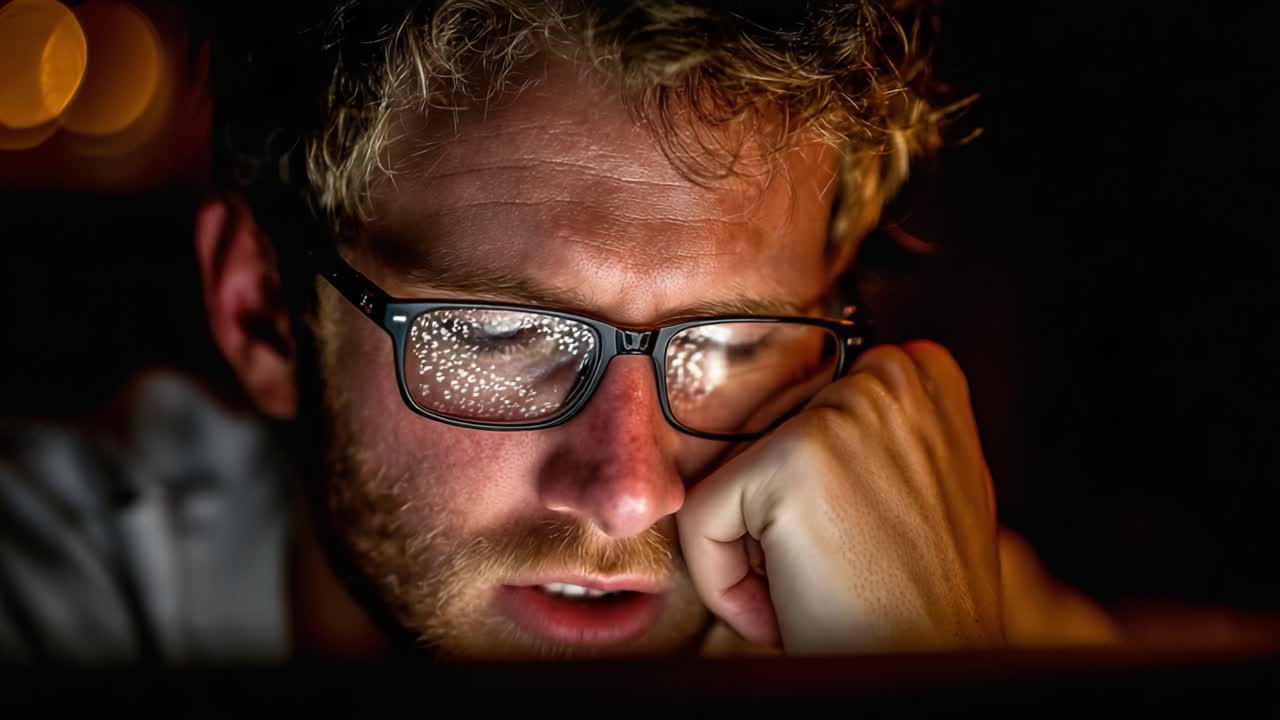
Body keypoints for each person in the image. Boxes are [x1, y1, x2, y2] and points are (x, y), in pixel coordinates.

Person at [0, 0, 1115, 664]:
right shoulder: (55, 604)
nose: (628, 493)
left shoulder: (905, 599)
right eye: (498, 335)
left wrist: (908, 676)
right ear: (261, 312)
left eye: (728, 345)